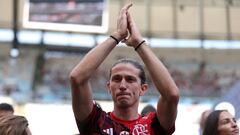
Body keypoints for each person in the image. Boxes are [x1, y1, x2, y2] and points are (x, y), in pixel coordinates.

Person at [69, 2, 179, 135]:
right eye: (116, 79)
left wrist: (139, 43)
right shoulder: (96, 122)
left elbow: (172, 95)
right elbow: (77, 78)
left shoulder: (153, 126)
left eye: (130, 79)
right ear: (109, 87)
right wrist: (118, 35)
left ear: (143, 88)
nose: (122, 85)